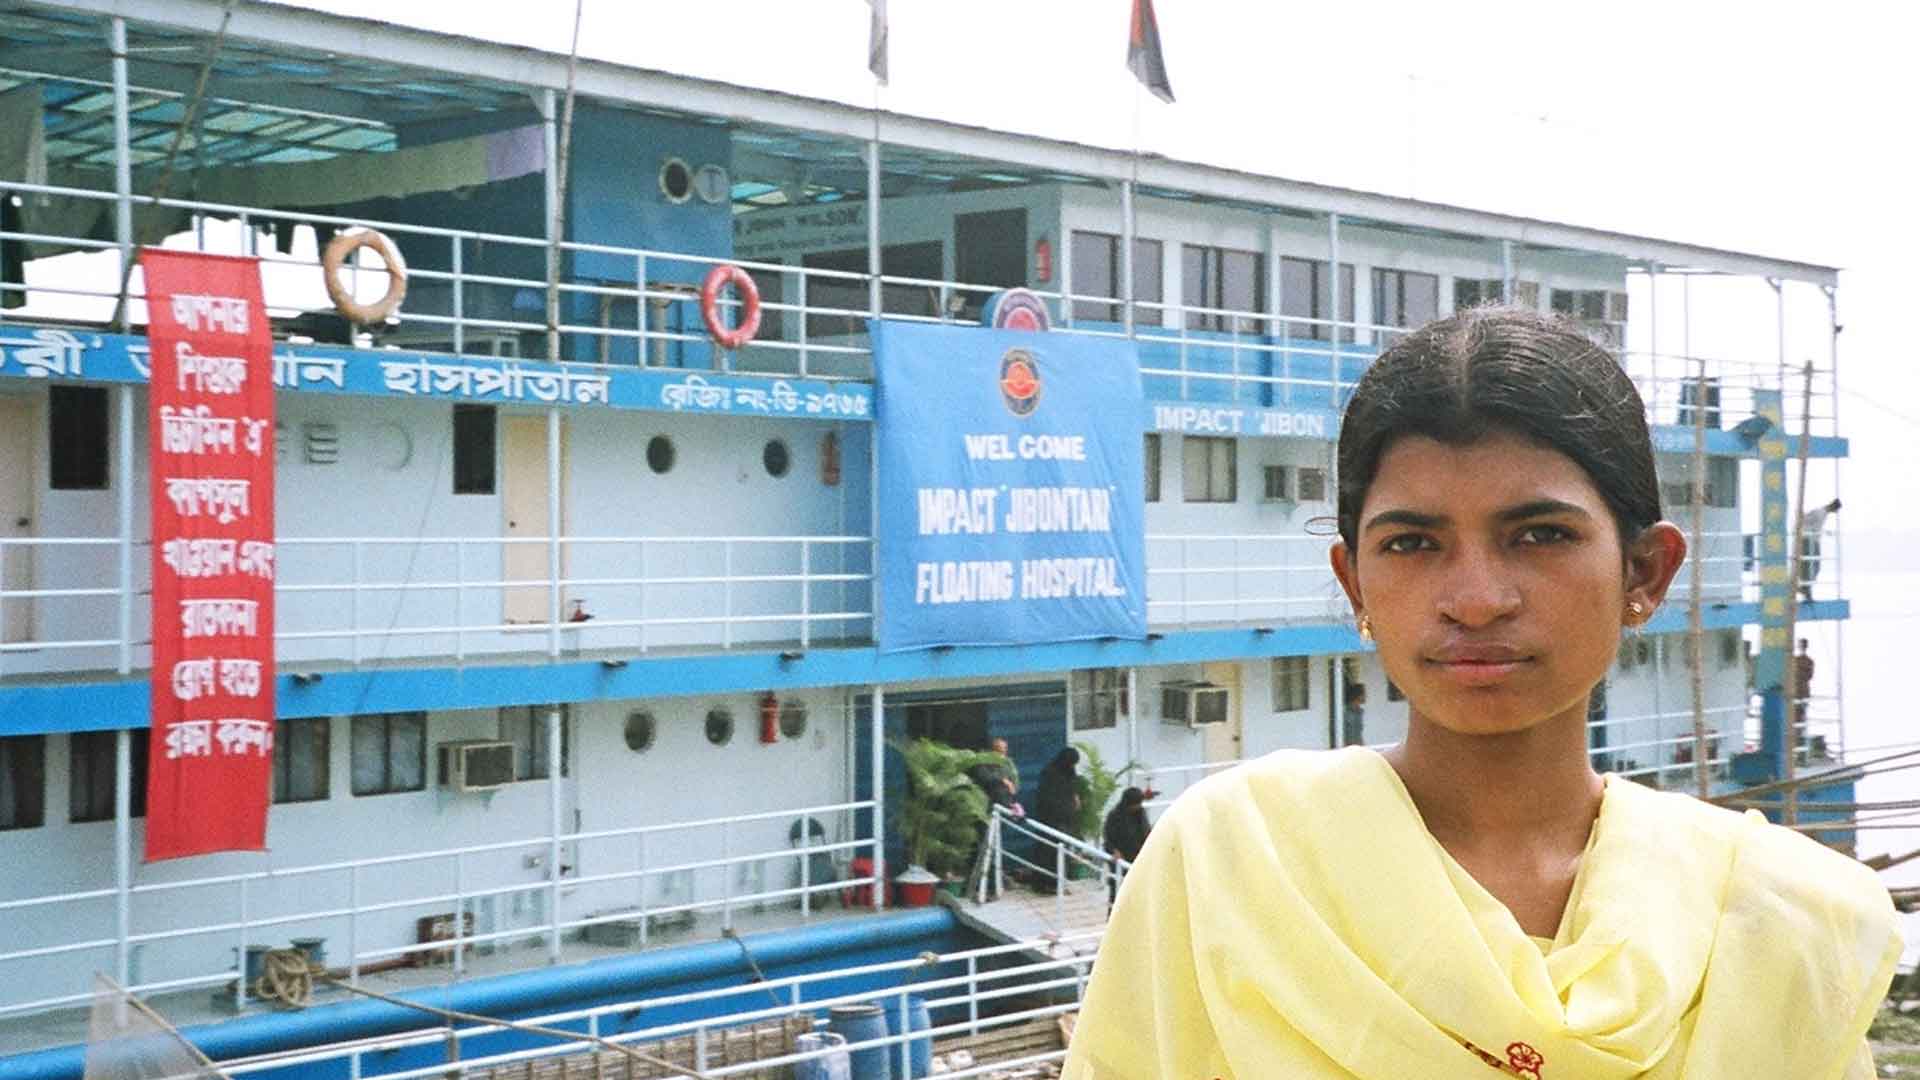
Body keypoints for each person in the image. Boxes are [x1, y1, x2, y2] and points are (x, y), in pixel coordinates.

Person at [1065, 308, 1898, 1079]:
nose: (1474, 597)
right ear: (1354, 583)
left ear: (1645, 572)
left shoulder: (1775, 916)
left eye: (1540, 536)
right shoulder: (1229, 867)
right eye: (1413, 543)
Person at [1101, 786, 1152, 908]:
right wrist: (1114, 850)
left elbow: (1146, 833)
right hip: (1120, 860)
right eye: (1136, 804)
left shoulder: (1141, 814)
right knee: (1117, 893)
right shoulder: (1115, 816)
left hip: (1138, 858)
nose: (1138, 806)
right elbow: (1108, 838)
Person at [1798, 497, 1841, 601]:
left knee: (1814, 566)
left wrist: (1825, 532)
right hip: (1808, 540)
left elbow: (1814, 525)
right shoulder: (1819, 512)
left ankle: (1806, 588)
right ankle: (1805, 588)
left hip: (1813, 540)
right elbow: (1804, 520)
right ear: (1833, 507)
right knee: (1810, 566)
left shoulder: (1823, 514)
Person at [1341, 680, 1367, 747]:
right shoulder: (1345, 712)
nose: (1366, 696)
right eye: (1364, 694)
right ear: (1358, 695)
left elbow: (1358, 733)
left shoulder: (1360, 712)